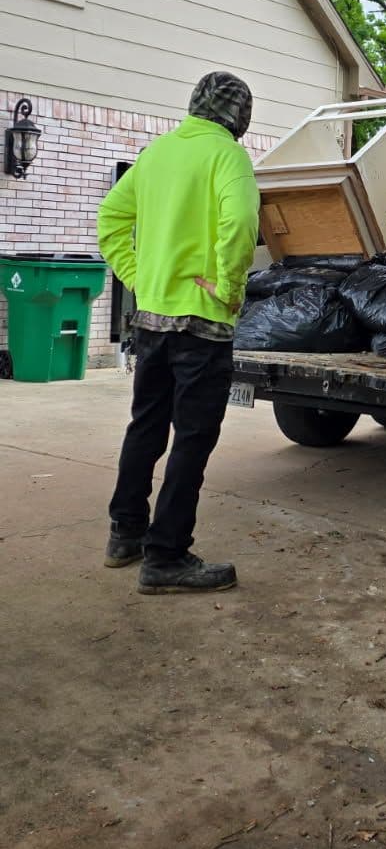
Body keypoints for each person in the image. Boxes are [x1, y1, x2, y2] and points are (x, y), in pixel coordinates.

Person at [97, 71, 260, 593]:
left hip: (152, 319)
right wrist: (229, 291)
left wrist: (140, 278)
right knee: (192, 437)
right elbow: (240, 227)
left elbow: (110, 219)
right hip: (202, 325)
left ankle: (126, 533)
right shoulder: (228, 157)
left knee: (145, 425)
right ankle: (166, 556)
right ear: (239, 116)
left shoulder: (156, 154)